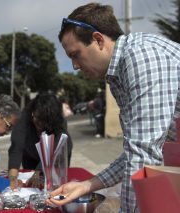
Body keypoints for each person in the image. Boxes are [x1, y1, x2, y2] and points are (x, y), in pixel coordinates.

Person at [47, 3, 180, 212]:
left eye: (75, 54)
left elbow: (143, 155)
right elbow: (134, 151)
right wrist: (87, 185)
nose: (75, 66)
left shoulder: (142, 56)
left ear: (99, 39)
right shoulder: (117, 75)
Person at [8, 93, 73, 189]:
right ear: (33, 112)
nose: (40, 126)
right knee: (32, 184)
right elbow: (16, 148)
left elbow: (57, 147)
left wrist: (38, 171)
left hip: (54, 155)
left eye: (44, 122)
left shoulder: (58, 120)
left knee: (54, 184)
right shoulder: (24, 117)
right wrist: (13, 178)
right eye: (37, 119)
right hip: (30, 154)